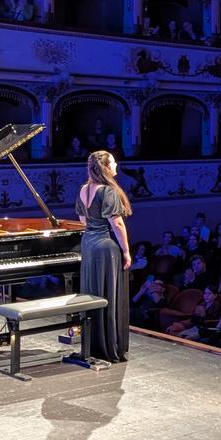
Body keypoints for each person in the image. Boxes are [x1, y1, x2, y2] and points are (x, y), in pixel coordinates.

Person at [75, 150, 133, 364]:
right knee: (108, 292)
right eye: (114, 162)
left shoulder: (83, 189)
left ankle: (94, 343)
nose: (116, 164)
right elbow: (116, 224)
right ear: (106, 167)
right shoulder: (108, 191)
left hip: (88, 244)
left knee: (93, 290)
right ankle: (109, 346)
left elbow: (83, 220)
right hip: (105, 246)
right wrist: (126, 251)